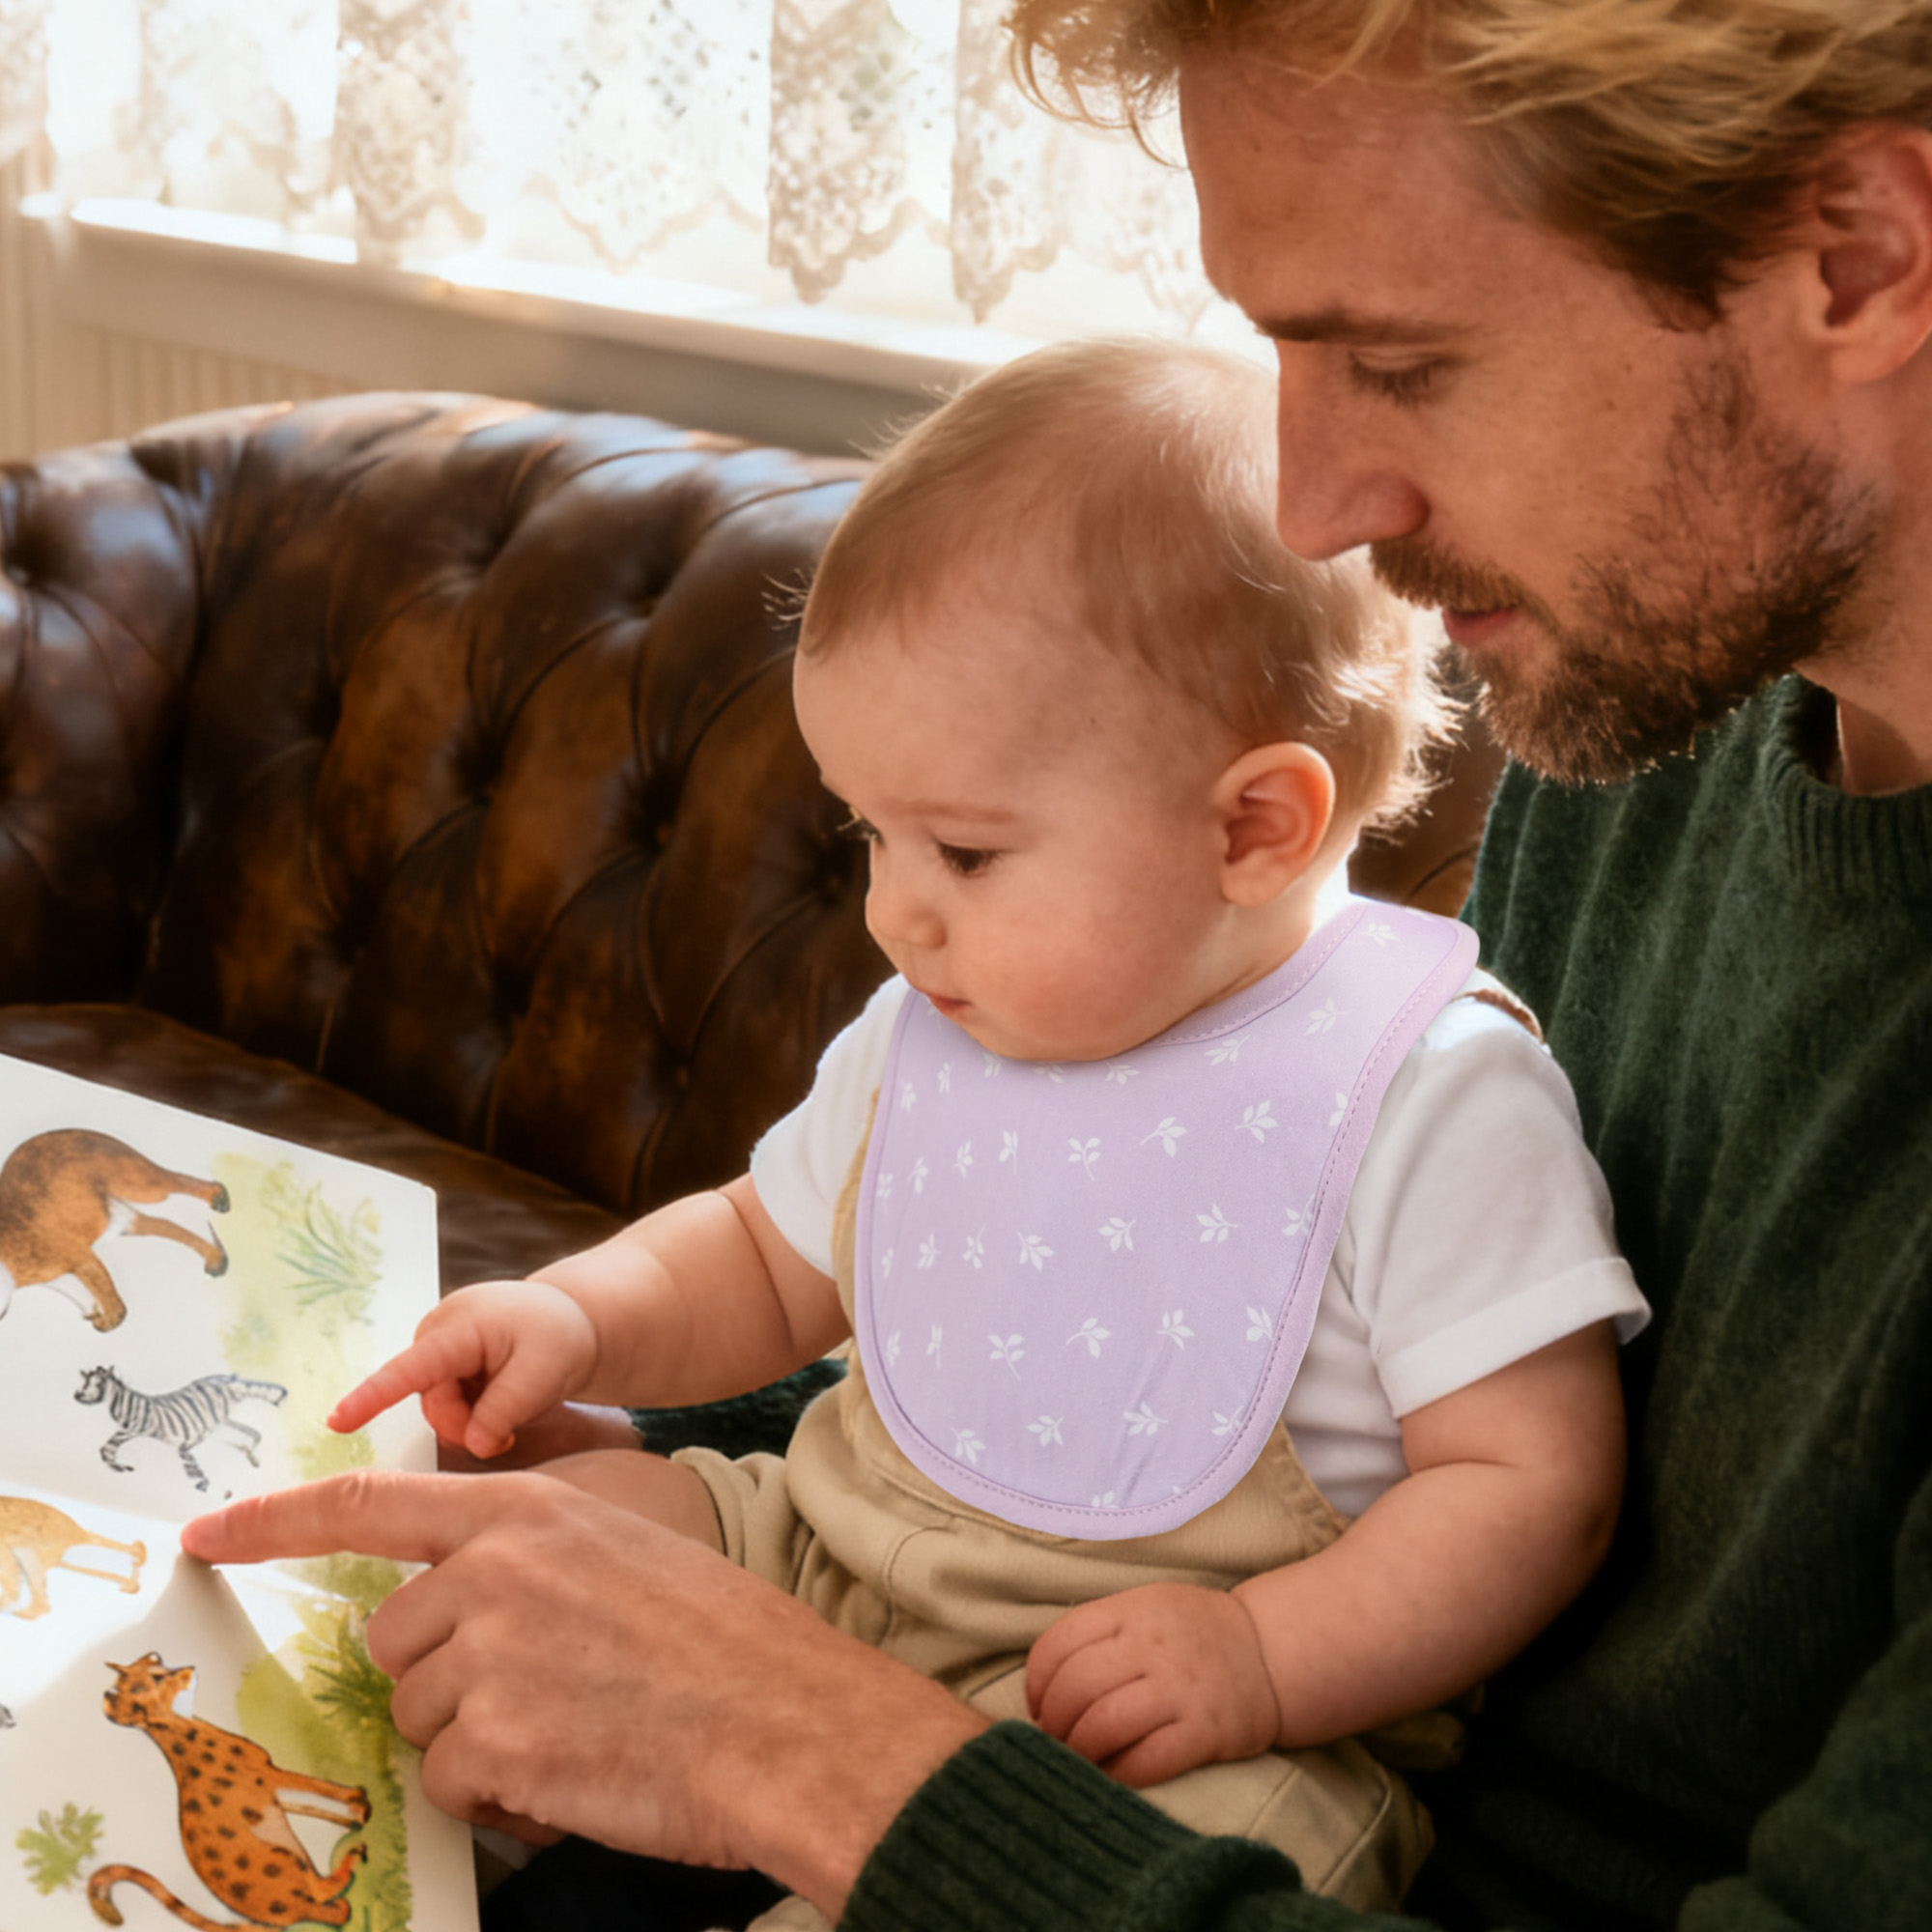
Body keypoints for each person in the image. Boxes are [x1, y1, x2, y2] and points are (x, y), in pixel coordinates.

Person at [183, 2, 1932, 1928]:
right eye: (1282, 350)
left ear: (1859, 253)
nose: (1310, 502)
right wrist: (638, 1459)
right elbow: (1160, 1281)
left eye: (1403, 361)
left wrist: (811, 1746)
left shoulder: (1487, 939)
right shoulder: (1646, 714)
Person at [319, 336, 1641, 1926]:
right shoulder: (935, 1029)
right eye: (869, 832)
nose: (892, 913)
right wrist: (573, 1320)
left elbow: (1529, 1484)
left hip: (1154, 1730)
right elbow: (758, 1248)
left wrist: (1267, 1658)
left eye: (961, 849)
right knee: (501, 1548)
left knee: (1274, 1832)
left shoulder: (1427, 1094)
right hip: (828, 1557)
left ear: (1254, 826)